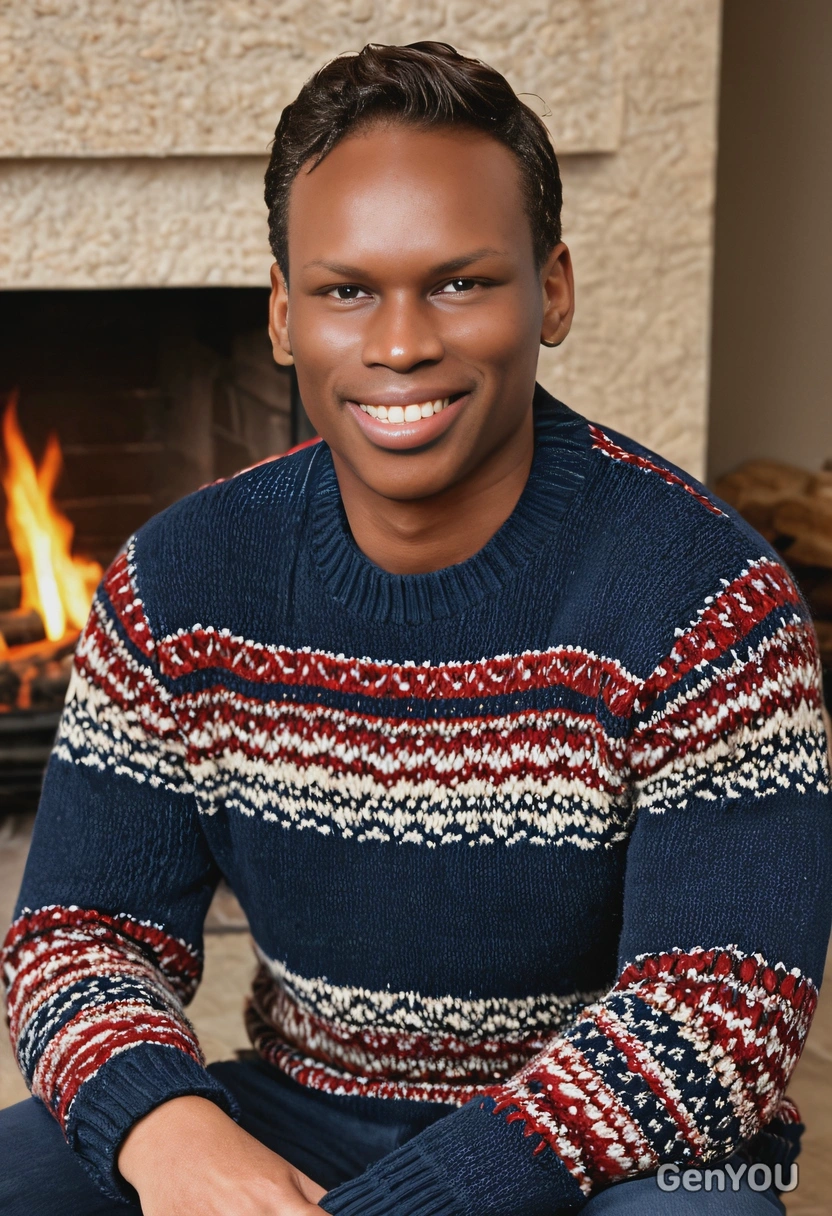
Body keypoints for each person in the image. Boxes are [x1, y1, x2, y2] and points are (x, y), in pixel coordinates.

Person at [1, 40, 830, 1216]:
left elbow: (720, 1005)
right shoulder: (181, 579)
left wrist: (424, 1200)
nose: (399, 343)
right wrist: (170, 1129)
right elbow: (77, 934)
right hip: (296, 1113)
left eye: (459, 282)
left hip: (611, 1161)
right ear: (283, 315)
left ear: (552, 289)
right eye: (346, 290)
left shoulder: (705, 597)